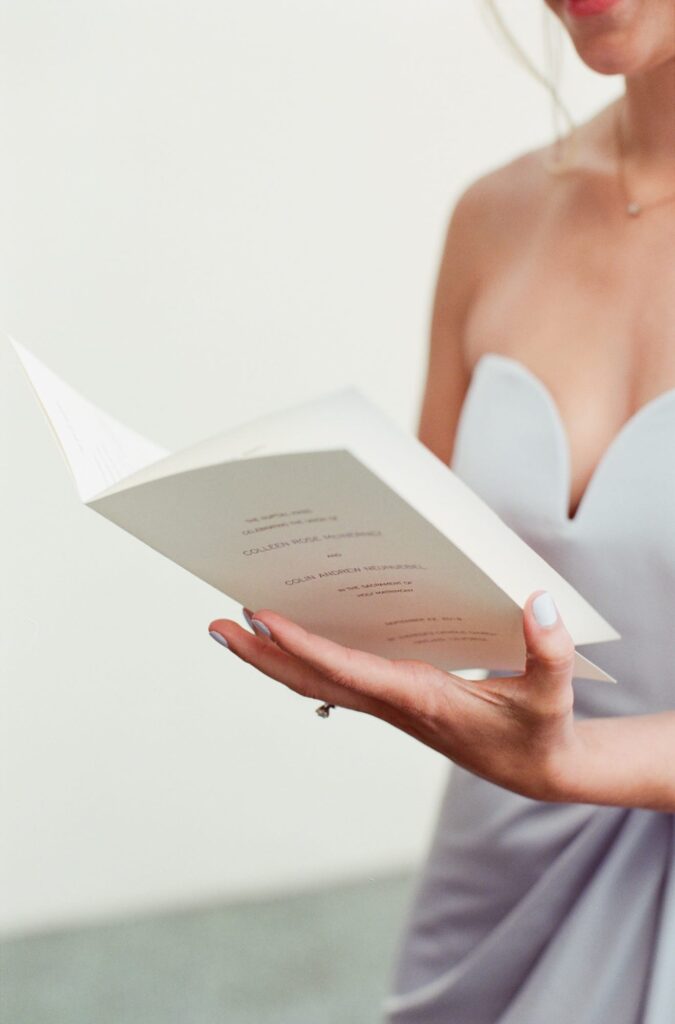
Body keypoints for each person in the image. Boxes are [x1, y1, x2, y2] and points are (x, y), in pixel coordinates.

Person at [207, 1, 675, 1020]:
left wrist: (574, 759)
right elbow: (436, 570)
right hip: (501, 852)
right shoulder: (497, 214)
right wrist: (333, 606)